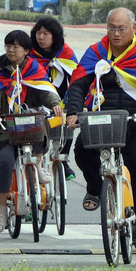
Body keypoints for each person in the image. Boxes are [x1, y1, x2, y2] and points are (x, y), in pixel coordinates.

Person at [64, 7, 136, 249]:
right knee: (81, 150)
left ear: (133, 28)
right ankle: (95, 187)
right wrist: (74, 111)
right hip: (103, 118)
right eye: (111, 28)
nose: (116, 33)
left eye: (122, 28)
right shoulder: (97, 52)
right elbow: (79, 84)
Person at [0, 30, 63, 233]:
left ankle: (37, 163)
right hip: (5, 129)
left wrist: (56, 104)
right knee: (5, 161)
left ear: (27, 50)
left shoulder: (34, 69)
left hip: (29, 125)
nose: (11, 50)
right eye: (8, 46)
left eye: (16, 46)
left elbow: (45, 90)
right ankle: (2, 210)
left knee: (39, 130)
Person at [30, 17, 79, 180]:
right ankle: (37, 162)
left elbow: (77, 77)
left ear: (55, 36)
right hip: (37, 99)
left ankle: (63, 160)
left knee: (68, 125)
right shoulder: (30, 53)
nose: (41, 37)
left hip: (61, 99)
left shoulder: (66, 53)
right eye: (38, 33)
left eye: (46, 34)